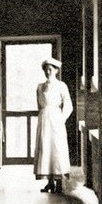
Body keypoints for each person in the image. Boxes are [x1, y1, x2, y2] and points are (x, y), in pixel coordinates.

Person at [33, 57, 73, 194]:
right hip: (44, 119)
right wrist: (43, 116)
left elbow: (68, 106)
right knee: (45, 147)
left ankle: (59, 182)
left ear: (56, 70)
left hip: (56, 120)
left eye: (50, 69)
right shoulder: (40, 87)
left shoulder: (61, 86)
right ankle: (50, 182)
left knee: (57, 148)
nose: (48, 72)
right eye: (46, 70)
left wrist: (60, 119)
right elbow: (39, 105)